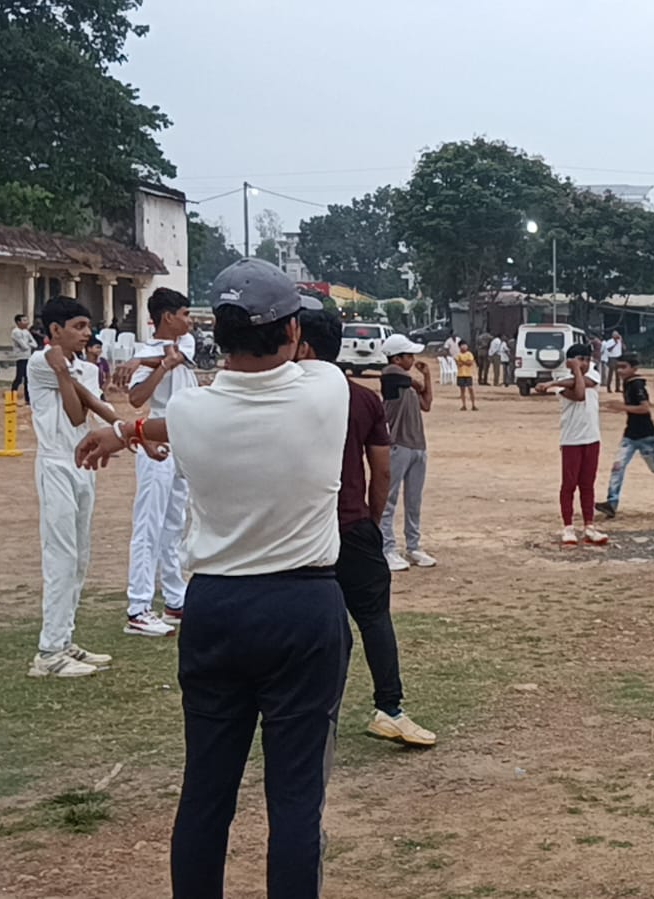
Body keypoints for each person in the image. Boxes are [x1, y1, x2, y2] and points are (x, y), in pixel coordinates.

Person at [76, 258, 352, 898]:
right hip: (303, 606)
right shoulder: (325, 390)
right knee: (294, 798)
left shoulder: (196, 411)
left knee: (205, 791)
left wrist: (124, 430)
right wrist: (129, 430)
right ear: (291, 333)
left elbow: (189, 419)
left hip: (216, 608)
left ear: (215, 336)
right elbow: (280, 379)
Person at [297, 310, 437, 747]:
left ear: (302, 345)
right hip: (351, 524)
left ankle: (312, 713)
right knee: (374, 619)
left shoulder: (282, 396)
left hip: (299, 529)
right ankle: (390, 707)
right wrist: (372, 521)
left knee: (313, 625)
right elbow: (380, 472)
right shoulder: (362, 399)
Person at [27, 297, 116, 677]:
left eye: (88, 326)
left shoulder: (87, 368)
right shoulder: (38, 362)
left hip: (82, 463)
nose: (87, 334)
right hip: (55, 463)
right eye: (78, 326)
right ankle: (48, 653)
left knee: (79, 555)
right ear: (54, 331)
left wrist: (72, 376)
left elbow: (93, 406)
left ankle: (65, 639)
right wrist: (64, 376)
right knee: (60, 555)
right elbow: (77, 412)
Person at [121, 288, 196, 638]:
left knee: (174, 523)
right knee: (148, 522)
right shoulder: (145, 351)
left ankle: (175, 597)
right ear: (168, 316)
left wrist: (151, 361)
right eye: (184, 314)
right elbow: (136, 398)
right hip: (157, 436)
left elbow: (178, 356)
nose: (188, 320)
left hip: (183, 439)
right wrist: (155, 365)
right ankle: (138, 606)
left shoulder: (186, 343)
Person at [594, 354, 654, 519]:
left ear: (634, 368)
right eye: (619, 367)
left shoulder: (636, 385)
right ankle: (611, 503)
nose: (621, 370)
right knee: (618, 467)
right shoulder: (628, 383)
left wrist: (622, 407)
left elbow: (645, 408)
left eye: (624, 367)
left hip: (646, 435)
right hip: (630, 435)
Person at [536, 344, 608, 547]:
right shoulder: (562, 385)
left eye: (586, 359)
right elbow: (578, 394)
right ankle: (568, 527)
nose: (584, 363)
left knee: (588, 484)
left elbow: (582, 385)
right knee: (569, 485)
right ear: (568, 361)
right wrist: (566, 375)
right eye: (579, 359)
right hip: (572, 440)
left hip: (592, 438)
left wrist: (551, 382)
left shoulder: (593, 374)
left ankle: (589, 526)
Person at [379, 334, 437, 571]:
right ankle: (387, 548)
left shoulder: (406, 381)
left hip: (417, 445)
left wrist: (427, 377)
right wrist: (417, 381)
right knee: (389, 500)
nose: (413, 359)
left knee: (414, 500)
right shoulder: (391, 376)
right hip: (398, 443)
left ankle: (413, 546)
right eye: (409, 355)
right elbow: (396, 375)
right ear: (396, 357)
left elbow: (427, 403)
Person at [11, 313, 37, 403]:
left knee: (27, 378)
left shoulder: (26, 332)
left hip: (28, 356)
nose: (27, 322)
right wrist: (29, 344)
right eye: (24, 320)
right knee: (19, 378)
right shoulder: (15, 332)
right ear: (18, 322)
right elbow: (24, 346)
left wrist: (29, 344)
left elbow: (35, 344)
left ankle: (28, 399)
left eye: (27, 320)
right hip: (20, 357)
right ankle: (12, 397)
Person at [455, 339, 478, 411]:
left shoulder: (469, 354)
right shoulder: (458, 355)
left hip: (468, 374)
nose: (464, 347)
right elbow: (459, 364)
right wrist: (465, 362)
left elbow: (470, 363)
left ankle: (473, 404)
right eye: (462, 345)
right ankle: (464, 405)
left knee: (470, 389)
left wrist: (462, 362)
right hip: (461, 374)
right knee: (462, 390)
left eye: (465, 345)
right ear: (460, 347)